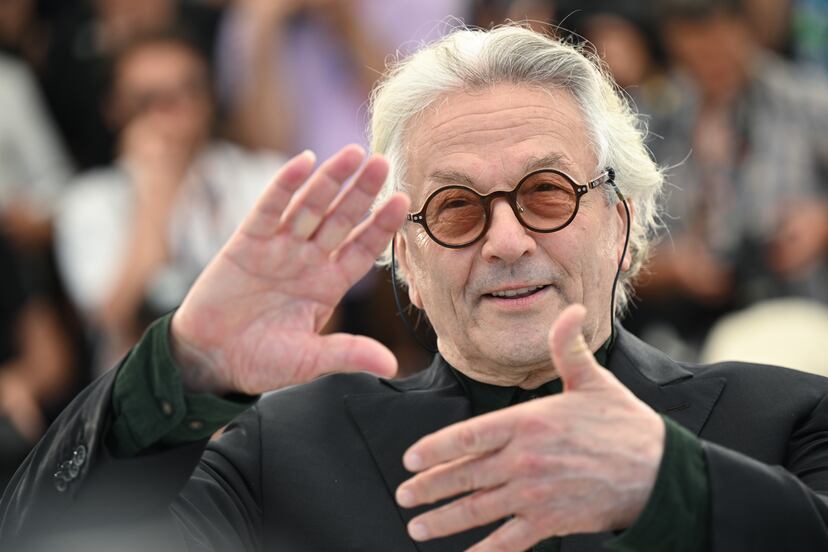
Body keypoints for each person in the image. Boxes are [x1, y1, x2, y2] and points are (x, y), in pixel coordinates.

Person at [2, 24, 828, 552]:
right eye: (457, 208)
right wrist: (181, 371)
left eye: (547, 193)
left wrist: (671, 488)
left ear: (620, 220)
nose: (507, 241)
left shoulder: (784, 421)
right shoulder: (284, 454)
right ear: (405, 258)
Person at [54, 31, 286, 373]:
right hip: (141, 387)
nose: (169, 113)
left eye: (185, 92)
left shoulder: (267, 179)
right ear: (114, 109)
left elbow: (304, 308)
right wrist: (155, 197)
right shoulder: (88, 200)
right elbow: (111, 318)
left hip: (256, 382)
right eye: (147, 100)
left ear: (210, 97)